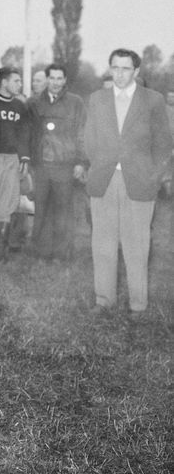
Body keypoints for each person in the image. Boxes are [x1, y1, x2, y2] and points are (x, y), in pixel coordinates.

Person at [84, 49, 172, 317]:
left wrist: (153, 176)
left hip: (139, 182)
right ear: (109, 69)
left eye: (125, 68)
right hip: (104, 180)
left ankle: (138, 305)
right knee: (103, 244)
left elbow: (163, 144)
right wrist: (100, 164)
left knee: (137, 246)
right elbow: (88, 139)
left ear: (136, 71)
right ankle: (104, 300)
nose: (119, 74)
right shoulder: (97, 99)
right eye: (115, 68)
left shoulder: (153, 100)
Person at [28, 63, 86, 262]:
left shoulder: (75, 102)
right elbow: (29, 134)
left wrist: (80, 162)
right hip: (42, 166)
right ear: (46, 80)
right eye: (52, 78)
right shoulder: (34, 102)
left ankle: (62, 254)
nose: (55, 83)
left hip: (65, 165)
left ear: (65, 80)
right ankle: (42, 254)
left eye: (59, 79)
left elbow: (82, 133)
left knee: (63, 210)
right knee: (42, 209)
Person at [0, 67, 30, 262]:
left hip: (12, 158)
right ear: (3, 82)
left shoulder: (19, 106)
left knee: (7, 203)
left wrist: (24, 158)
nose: (20, 84)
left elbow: (25, 134)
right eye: (16, 80)